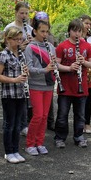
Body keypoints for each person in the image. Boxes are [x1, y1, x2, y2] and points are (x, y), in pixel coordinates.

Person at [54, 19, 91, 148]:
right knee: (62, 114)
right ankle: (60, 137)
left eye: (79, 31)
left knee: (80, 115)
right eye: (74, 31)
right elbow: (56, 65)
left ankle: (78, 136)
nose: (77, 34)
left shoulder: (87, 46)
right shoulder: (62, 46)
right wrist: (69, 68)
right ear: (69, 31)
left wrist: (84, 62)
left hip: (81, 86)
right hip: (65, 86)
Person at [0, 26, 29, 163]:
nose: (19, 42)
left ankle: (16, 150)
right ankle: (9, 152)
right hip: (9, 94)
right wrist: (14, 80)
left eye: (20, 39)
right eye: (16, 39)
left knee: (18, 125)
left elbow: (25, 73)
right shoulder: (3, 55)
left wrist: (26, 73)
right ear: (8, 39)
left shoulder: (21, 54)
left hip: (21, 94)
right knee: (10, 124)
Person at [24, 18, 54, 156]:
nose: (45, 34)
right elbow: (29, 68)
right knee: (37, 115)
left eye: (47, 32)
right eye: (42, 31)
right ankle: (30, 144)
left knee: (45, 116)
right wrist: (44, 70)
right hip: (36, 85)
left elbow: (55, 65)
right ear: (34, 31)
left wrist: (57, 67)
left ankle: (40, 142)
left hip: (48, 85)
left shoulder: (50, 46)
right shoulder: (30, 47)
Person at [4, 1, 33, 137]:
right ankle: (12, 126)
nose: (24, 16)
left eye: (26, 13)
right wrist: (20, 46)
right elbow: (5, 47)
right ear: (16, 13)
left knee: (24, 97)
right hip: (13, 64)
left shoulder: (30, 29)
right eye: (21, 13)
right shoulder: (10, 27)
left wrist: (30, 42)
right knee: (13, 98)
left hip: (25, 61)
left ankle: (23, 124)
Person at [80, 15, 91, 134]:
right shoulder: (76, 37)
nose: (88, 26)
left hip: (90, 70)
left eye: (90, 24)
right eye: (86, 23)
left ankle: (87, 123)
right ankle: (80, 123)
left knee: (89, 98)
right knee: (80, 98)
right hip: (80, 70)